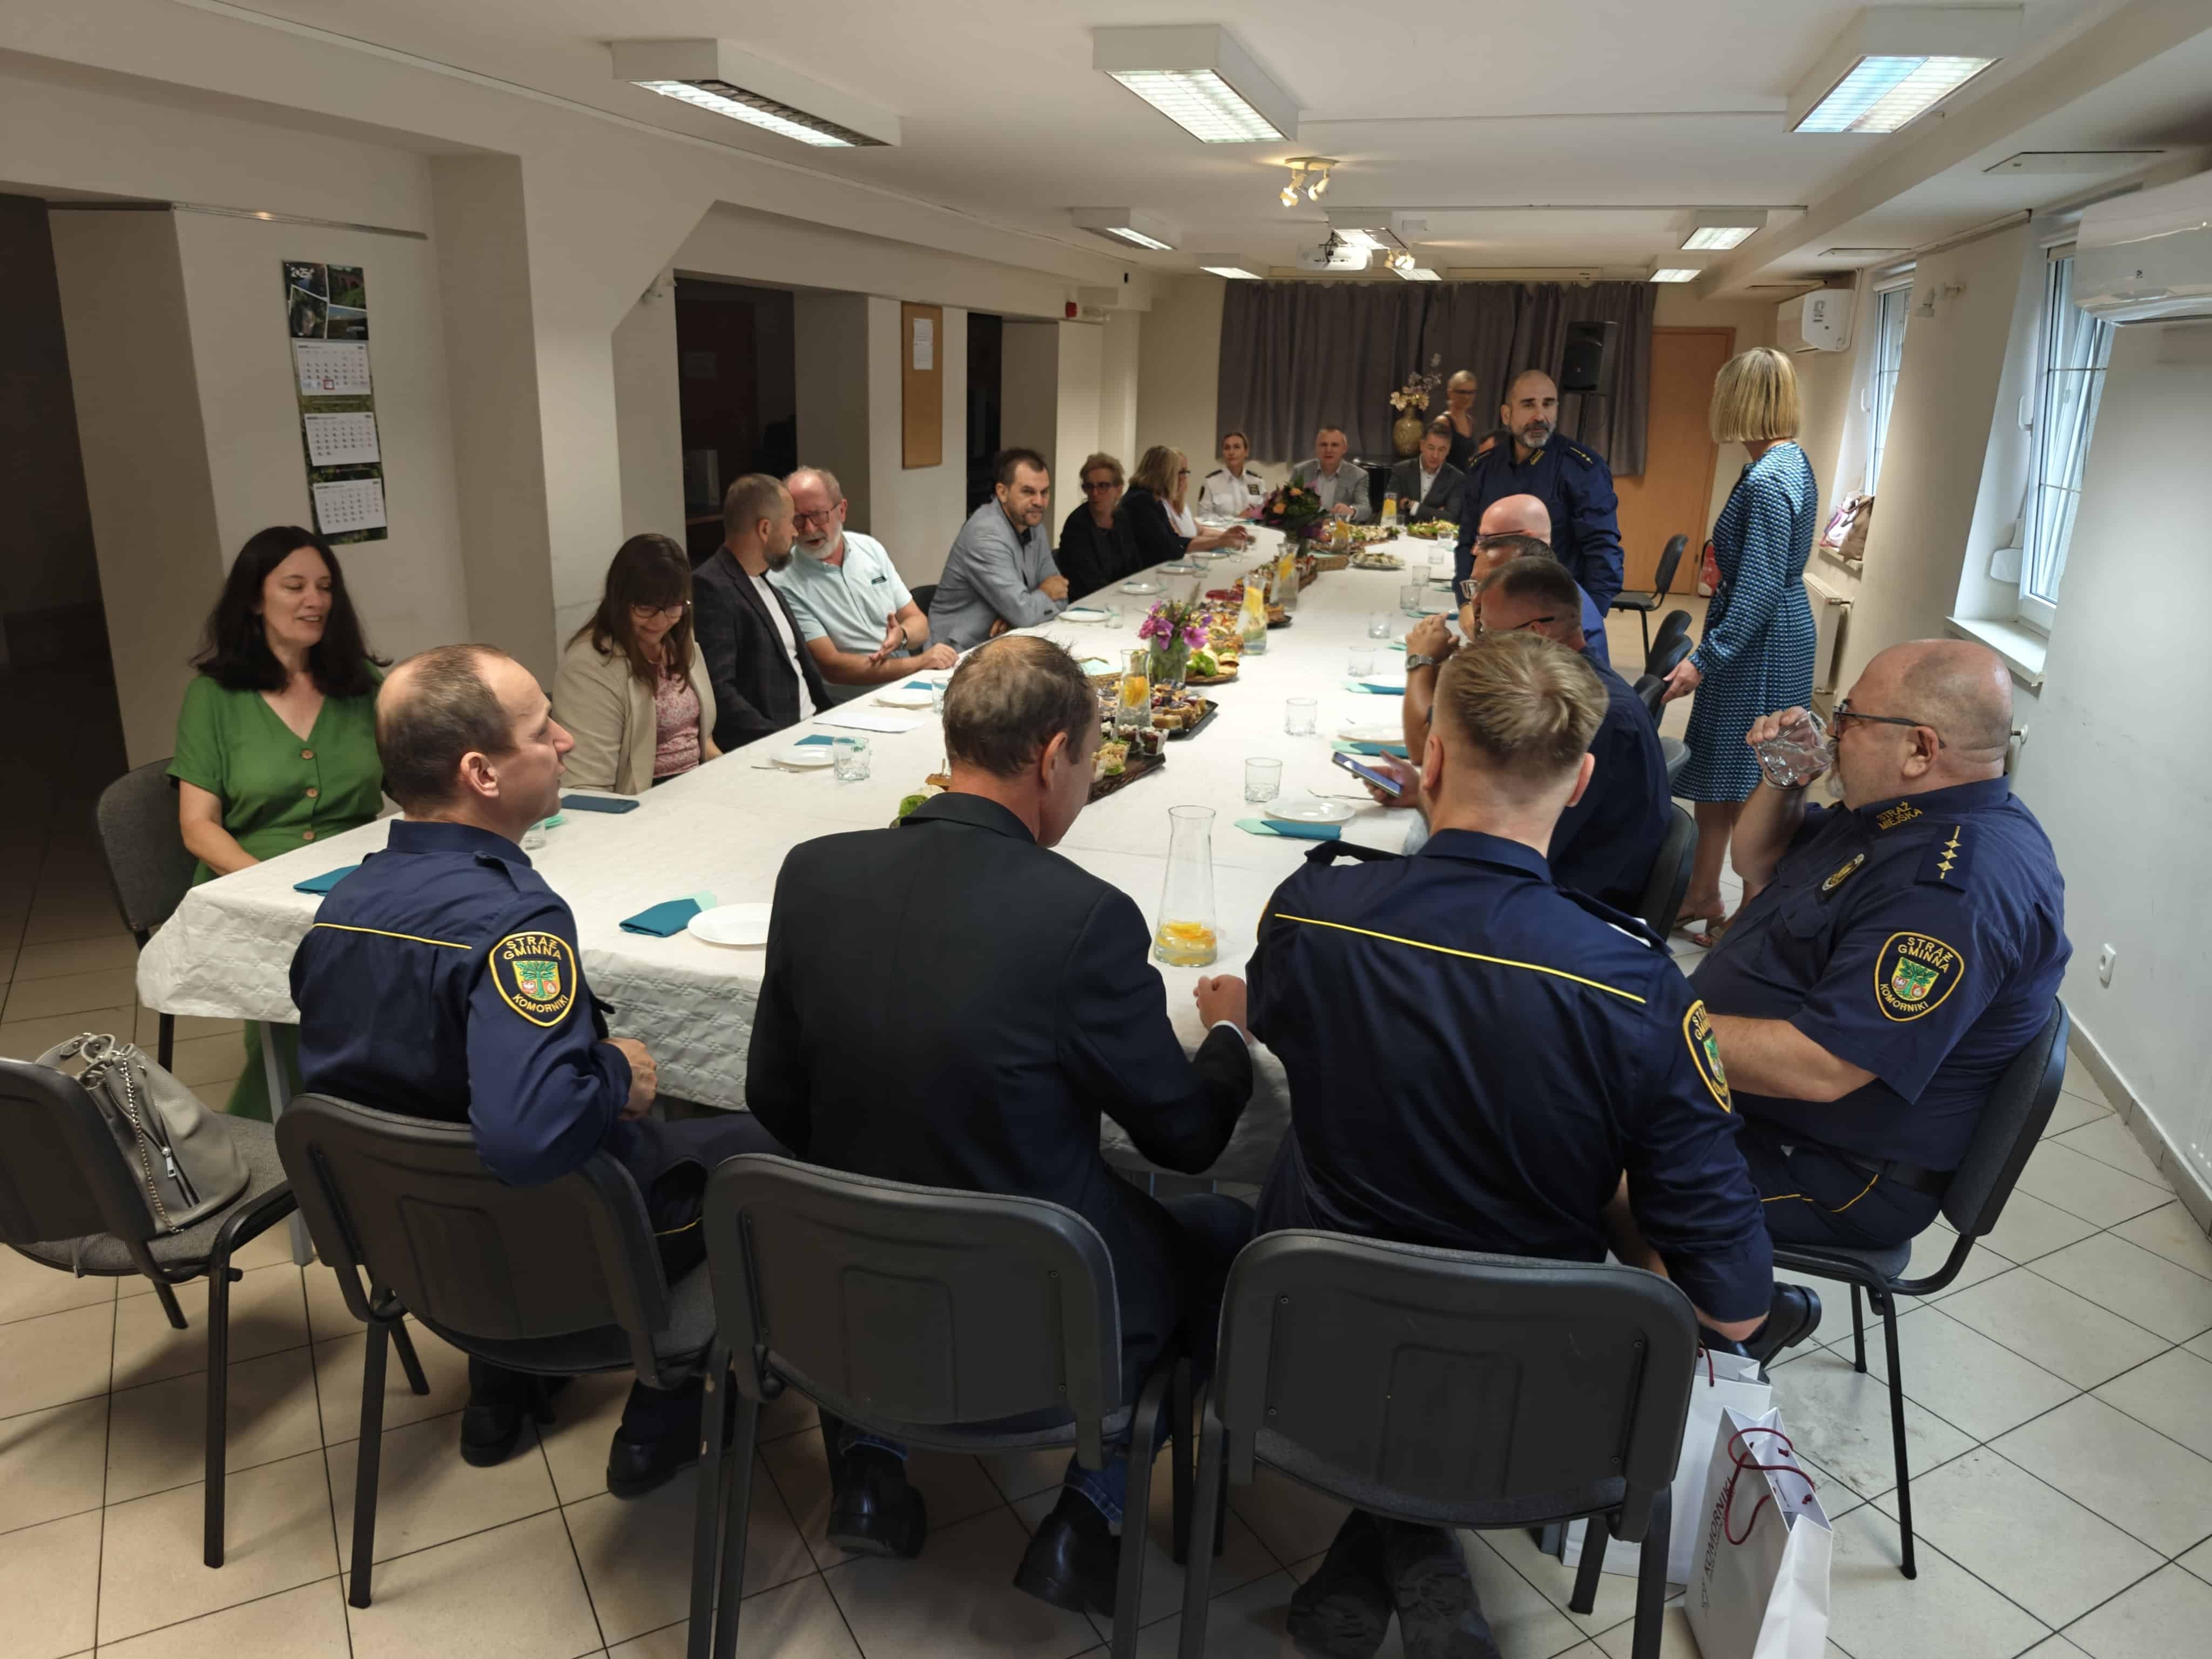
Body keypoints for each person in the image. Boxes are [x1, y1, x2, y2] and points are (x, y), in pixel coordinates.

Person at [1245, 630, 1779, 1659]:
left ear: (1431, 758)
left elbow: (1286, 1040)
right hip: (1536, 1391)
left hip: (1306, 1353)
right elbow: (1736, 1302)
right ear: (1579, 783)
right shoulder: (1636, 987)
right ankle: (1418, 1541)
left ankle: (1397, 1538)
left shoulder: (1315, 914)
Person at [747, 633, 1255, 1611]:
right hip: (1033, 1299)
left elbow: (773, 1096)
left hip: (847, 1273)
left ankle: (871, 1463)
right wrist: (1227, 1036)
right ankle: (1089, 1515)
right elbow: (1185, 1140)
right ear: (1053, 755)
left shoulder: (811, 874)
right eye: (1091, 761)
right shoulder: (1084, 918)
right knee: (1222, 1231)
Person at [290, 644, 787, 1492]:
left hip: (415, 1240)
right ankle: (667, 1409)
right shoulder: (514, 921)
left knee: (450, 1101)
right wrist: (615, 1072)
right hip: (551, 1241)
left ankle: (500, 1392)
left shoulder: (342, 904)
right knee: (770, 1144)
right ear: (481, 774)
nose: (565, 740)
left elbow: (398, 1091)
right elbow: (530, 1138)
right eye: (540, 728)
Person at [1692, 640, 2070, 1251]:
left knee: (1585, 1153)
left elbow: (1821, 1067)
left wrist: (1656, 1027)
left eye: (1850, 719)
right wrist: (1786, 777)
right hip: (1770, 1109)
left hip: (1837, 1169)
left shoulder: (1952, 891)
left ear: (1920, 749)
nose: (1832, 732)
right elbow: (1756, 861)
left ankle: (1711, 1311)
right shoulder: (1897, 813)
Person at [171, 526, 387, 1121]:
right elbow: (198, 827)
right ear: (253, 599)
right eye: (295, 586)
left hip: (357, 872)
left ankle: (377, 1127)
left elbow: (421, 783)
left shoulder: (362, 685)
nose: (315, 600)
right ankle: (270, 1136)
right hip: (248, 880)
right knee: (311, 1009)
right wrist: (272, 891)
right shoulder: (212, 697)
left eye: (325, 587)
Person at [1386, 557, 1669, 913]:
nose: (1479, 645)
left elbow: (1511, 847)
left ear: (1536, 633)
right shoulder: (1579, 687)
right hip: (1550, 883)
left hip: (1565, 907)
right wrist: (1427, 792)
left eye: (1487, 634)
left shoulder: (1581, 712)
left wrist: (1435, 798)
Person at [1661, 347, 1819, 946]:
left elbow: (1758, 585)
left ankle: (1750, 916)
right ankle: (1704, 891)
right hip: (1765, 630)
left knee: (1758, 774)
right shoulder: (1782, 463)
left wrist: (1704, 659)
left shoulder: (1771, 479)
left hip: (1764, 640)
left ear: (1739, 400)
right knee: (1718, 767)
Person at [771, 467, 955, 704]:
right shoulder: (783, 580)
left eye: (818, 515)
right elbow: (834, 668)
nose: (809, 529)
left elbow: (919, 623)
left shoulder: (869, 548)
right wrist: (919, 663)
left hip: (908, 687)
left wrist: (902, 636)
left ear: (842, 510)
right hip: (854, 703)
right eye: (798, 518)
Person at [552, 534, 719, 792]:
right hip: (643, 802)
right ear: (620, 601)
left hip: (697, 788)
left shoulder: (679, 641)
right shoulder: (589, 667)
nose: (660, 622)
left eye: (673, 607)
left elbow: (701, 738)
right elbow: (586, 785)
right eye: (646, 608)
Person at [1454, 369, 1624, 615]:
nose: (1540, 416)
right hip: (1492, 608)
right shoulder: (1484, 468)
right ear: (1506, 414)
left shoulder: (1582, 469)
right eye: (1528, 405)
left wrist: (1586, 619)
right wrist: (1465, 604)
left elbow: (1603, 552)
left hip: (1554, 609)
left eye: (1548, 404)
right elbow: (1468, 543)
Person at [692, 474, 830, 751]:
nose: (795, 532)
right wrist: (782, 741)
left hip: (813, 730)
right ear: (765, 529)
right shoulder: (711, 587)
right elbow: (720, 691)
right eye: (790, 521)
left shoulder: (766, 582)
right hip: (774, 747)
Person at [928, 448, 1067, 650]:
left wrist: (1018, 616)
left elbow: (1061, 593)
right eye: (1028, 492)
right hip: (958, 651)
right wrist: (1027, 609)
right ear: (1003, 492)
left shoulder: (1033, 525)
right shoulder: (985, 534)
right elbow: (1027, 613)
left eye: (1044, 492)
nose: (1039, 502)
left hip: (1006, 641)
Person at [1455, 496, 1610, 667]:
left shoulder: (1557, 614)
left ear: (1526, 539)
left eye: (1488, 539)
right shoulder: (1552, 590)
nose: (1475, 549)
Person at [1121, 446, 1252, 570]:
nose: (1182, 479)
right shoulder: (1141, 501)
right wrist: (1219, 542)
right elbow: (1170, 549)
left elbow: (1175, 541)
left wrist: (1223, 539)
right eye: (1177, 473)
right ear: (1162, 474)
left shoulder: (1151, 499)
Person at [1057, 451, 1140, 601]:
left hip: (1122, 598)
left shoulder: (1122, 518)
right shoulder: (1077, 525)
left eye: (1103, 486)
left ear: (1119, 490)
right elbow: (1088, 584)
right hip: (1088, 604)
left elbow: (1134, 566)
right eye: (1089, 487)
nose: (1095, 493)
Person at [1289, 426, 1374, 522]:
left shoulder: (1359, 475)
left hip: (1339, 528)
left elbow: (1365, 509)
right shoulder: (1300, 470)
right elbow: (1288, 502)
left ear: (1344, 449)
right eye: (1323, 445)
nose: (1328, 450)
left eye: (1335, 445)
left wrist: (1352, 511)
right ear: (1317, 448)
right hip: (1306, 527)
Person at [1387, 418, 1465, 523]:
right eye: (1431, 448)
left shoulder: (1456, 478)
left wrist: (1411, 505)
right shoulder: (1401, 470)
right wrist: (1437, 513)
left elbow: (1451, 518)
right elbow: (1389, 510)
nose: (1435, 455)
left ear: (1448, 450)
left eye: (1442, 450)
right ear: (1422, 446)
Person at [1196, 429, 1266, 520]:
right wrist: (1236, 520)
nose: (1231, 452)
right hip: (1224, 529)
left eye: (1237, 447)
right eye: (1227, 448)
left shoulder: (1258, 481)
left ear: (1246, 452)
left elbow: (1265, 513)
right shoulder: (1211, 482)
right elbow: (1202, 517)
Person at [1439, 369, 1483, 471]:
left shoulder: (1469, 420)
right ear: (1450, 393)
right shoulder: (1444, 422)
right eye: (1462, 392)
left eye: (1471, 393)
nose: (1467, 397)